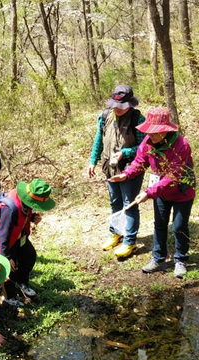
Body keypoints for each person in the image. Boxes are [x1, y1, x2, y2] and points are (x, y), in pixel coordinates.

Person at [109, 107, 196, 278]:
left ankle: (180, 260)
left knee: (179, 227)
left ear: (165, 130)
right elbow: (139, 162)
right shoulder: (147, 143)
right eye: (149, 131)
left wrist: (148, 192)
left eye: (155, 132)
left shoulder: (181, 145)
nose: (152, 135)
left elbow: (173, 176)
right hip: (160, 193)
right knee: (160, 224)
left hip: (182, 191)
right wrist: (126, 175)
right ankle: (158, 258)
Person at [87, 85, 146, 258]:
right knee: (115, 202)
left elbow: (144, 148)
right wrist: (93, 160)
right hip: (109, 167)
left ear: (130, 105)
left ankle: (130, 241)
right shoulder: (105, 115)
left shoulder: (138, 119)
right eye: (115, 105)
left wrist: (125, 153)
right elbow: (99, 137)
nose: (117, 109)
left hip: (130, 169)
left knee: (129, 204)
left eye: (121, 107)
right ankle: (116, 233)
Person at [0, 178, 55, 299]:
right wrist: (6, 257)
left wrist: (32, 217)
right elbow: (2, 235)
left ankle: (21, 283)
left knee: (29, 256)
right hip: (4, 241)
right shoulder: (9, 208)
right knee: (10, 269)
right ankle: (9, 297)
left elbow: (21, 217)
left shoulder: (25, 200)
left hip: (18, 236)